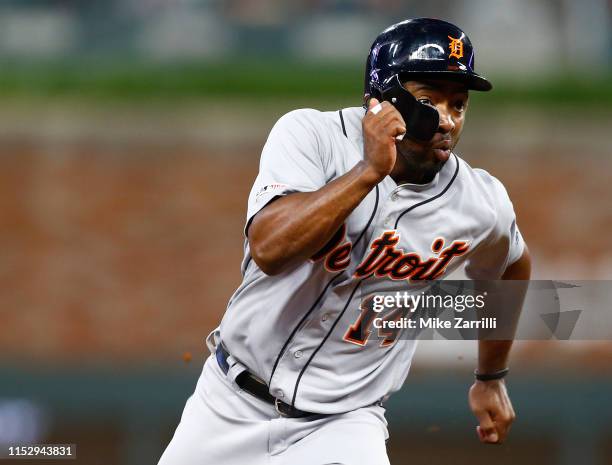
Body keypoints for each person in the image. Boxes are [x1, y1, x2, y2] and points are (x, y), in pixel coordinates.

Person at [158, 18, 532, 465]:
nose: (447, 120)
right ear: (382, 98)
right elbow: (270, 249)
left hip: (344, 425)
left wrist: (491, 375)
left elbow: (512, 267)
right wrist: (368, 172)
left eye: (460, 103)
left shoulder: (479, 202)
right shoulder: (311, 137)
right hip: (228, 406)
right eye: (428, 99)